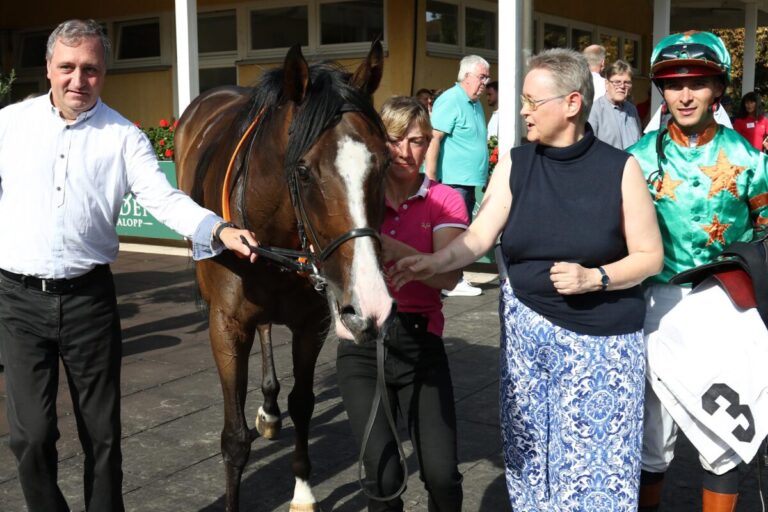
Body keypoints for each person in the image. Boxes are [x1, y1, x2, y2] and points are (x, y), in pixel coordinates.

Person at [0, 19, 258, 512]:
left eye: (91, 69)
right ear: (49, 69)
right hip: (18, 300)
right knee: (30, 437)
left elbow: (164, 200)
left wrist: (219, 229)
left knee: (102, 435)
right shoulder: (9, 125)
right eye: (68, 68)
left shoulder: (124, 137)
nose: (79, 80)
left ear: (105, 72)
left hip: (88, 301)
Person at [393, 48, 663, 511]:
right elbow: (479, 235)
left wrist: (594, 277)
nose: (521, 111)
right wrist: (431, 263)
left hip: (599, 348)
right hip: (526, 343)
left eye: (532, 101)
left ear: (573, 103)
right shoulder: (517, 162)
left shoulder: (620, 169)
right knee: (530, 459)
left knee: (594, 470)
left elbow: (650, 256)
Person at [627, 31, 768, 512]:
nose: (684, 95)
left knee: (724, 438)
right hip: (656, 306)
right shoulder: (636, 159)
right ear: (661, 90)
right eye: (672, 84)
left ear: (718, 88)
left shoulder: (751, 160)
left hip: (727, 307)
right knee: (653, 435)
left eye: (697, 83)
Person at [337, 96, 466, 512]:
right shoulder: (357, 201)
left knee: (443, 478)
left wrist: (393, 248)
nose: (405, 152)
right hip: (362, 349)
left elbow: (450, 276)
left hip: (420, 344)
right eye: (394, 140)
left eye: (417, 141)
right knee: (384, 479)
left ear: (429, 144)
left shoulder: (444, 199)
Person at [425, 54, 490, 297]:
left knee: (462, 231)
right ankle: (451, 279)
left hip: (466, 181)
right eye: (482, 76)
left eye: (487, 77)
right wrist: (431, 179)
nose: (485, 82)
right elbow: (434, 139)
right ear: (466, 76)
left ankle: (455, 276)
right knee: (453, 232)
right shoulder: (451, 99)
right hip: (452, 182)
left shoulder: (473, 103)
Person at [588, 59, 642, 149]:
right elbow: (589, 148)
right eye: (617, 82)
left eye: (627, 82)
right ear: (606, 84)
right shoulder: (595, 110)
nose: (622, 86)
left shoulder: (632, 110)